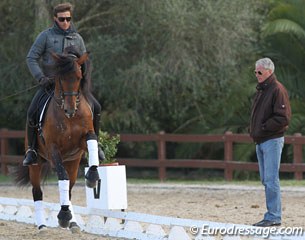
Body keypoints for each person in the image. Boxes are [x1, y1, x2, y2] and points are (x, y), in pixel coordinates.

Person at [24, 2, 104, 166]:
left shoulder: (77, 38)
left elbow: (84, 62)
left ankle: (96, 144)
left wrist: (82, 79)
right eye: (62, 19)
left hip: (73, 87)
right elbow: (31, 58)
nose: (66, 22)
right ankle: (32, 150)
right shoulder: (45, 36)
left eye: (68, 19)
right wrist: (40, 77)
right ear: (55, 19)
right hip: (49, 85)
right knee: (32, 111)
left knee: (96, 107)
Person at [250, 58, 291, 227]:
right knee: (266, 179)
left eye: (259, 72)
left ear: (269, 71)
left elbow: (283, 118)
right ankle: (272, 215)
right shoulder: (263, 90)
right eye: (255, 72)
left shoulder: (277, 89)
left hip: (272, 140)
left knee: (271, 179)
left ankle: (274, 216)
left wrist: (263, 127)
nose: (257, 75)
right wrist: (254, 129)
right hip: (261, 140)